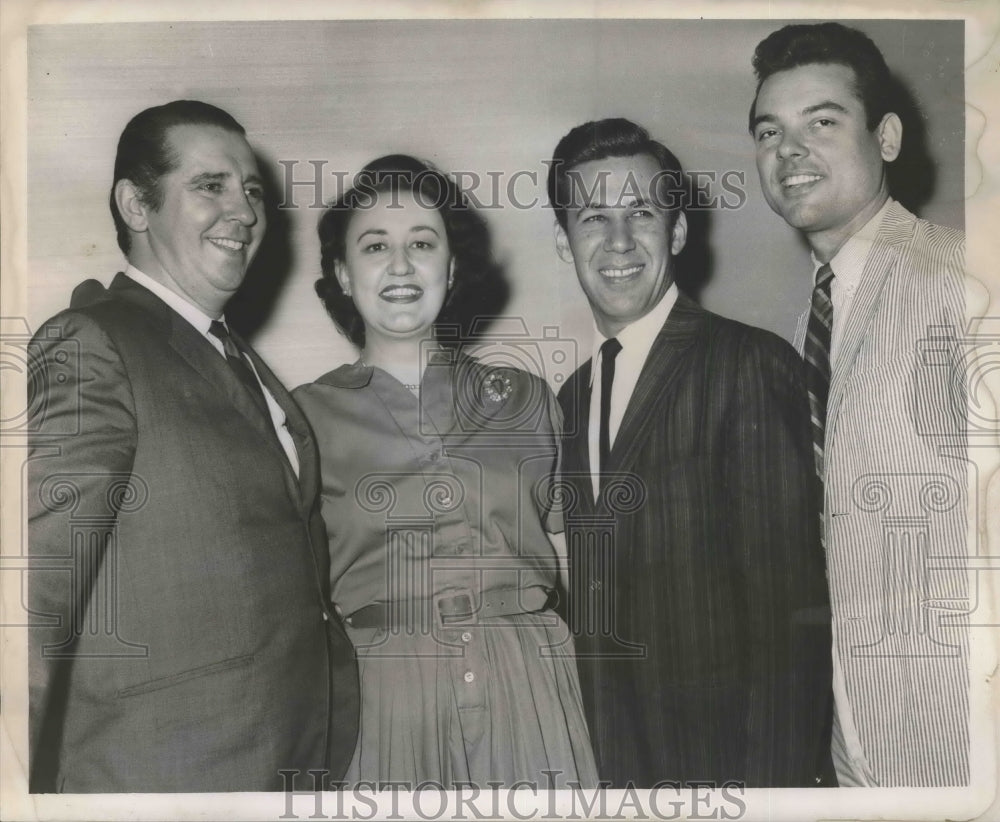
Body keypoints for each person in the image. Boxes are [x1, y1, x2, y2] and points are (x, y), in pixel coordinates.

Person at [27, 100, 359, 792]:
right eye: (211, 185)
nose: (244, 211)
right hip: (160, 776)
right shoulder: (93, 344)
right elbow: (32, 600)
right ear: (135, 204)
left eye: (254, 191)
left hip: (288, 765)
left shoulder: (239, 361)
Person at [293, 154, 598, 789]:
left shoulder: (524, 396)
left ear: (451, 267)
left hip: (528, 680)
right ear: (343, 274)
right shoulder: (302, 418)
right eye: (375, 246)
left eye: (422, 243)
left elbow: (573, 553)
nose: (400, 265)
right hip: (383, 695)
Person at [547, 118, 833, 787]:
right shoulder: (568, 399)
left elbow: (791, 611)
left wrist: (774, 794)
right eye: (593, 218)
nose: (618, 241)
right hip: (612, 768)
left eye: (641, 213)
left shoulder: (748, 363)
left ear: (676, 231)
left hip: (730, 770)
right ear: (564, 242)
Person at [749, 22, 969, 787]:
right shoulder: (806, 316)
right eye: (770, 131)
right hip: (848, 729)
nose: (789, 150)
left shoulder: (966, 281)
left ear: (889, 136)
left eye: (822, 122)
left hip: (959, 729)